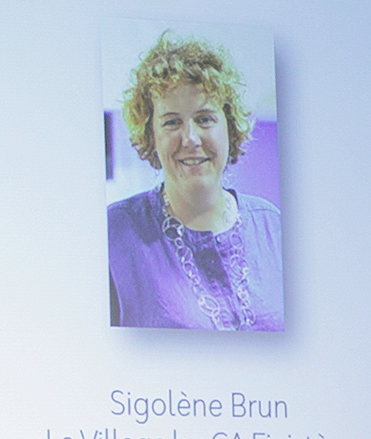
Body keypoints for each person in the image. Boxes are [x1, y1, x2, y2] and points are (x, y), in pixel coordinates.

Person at [107, 33, 282, 330]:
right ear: (151, 135)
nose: (190, 139)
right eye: (172, 122)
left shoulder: (273, 226)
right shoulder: (115, 234)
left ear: (230, 125)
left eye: (204, 119)